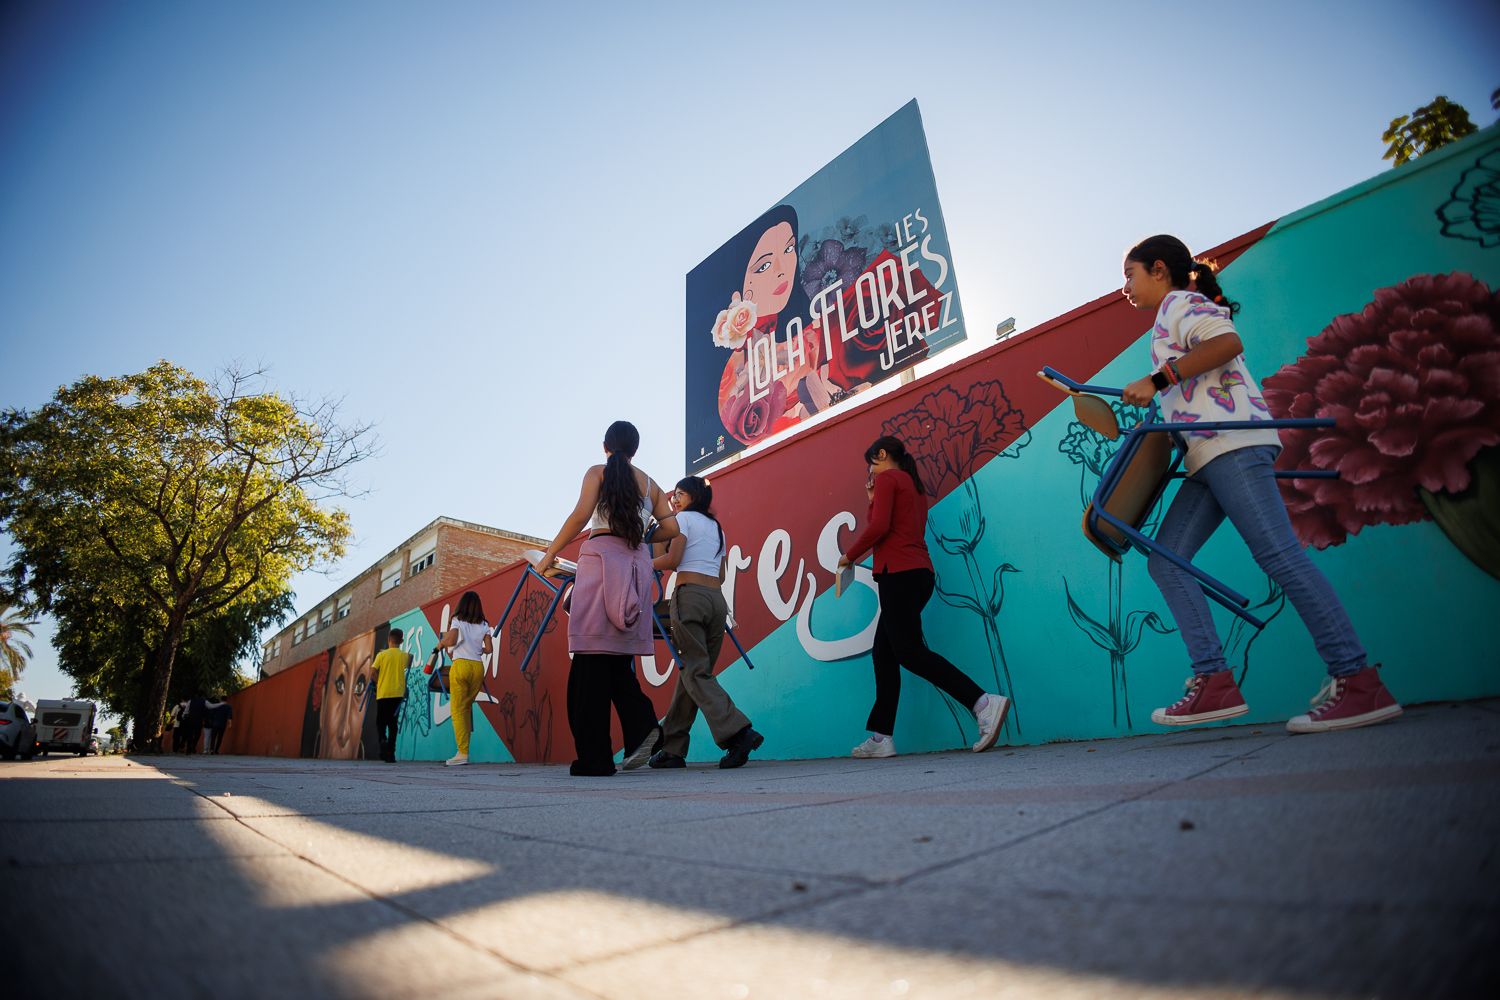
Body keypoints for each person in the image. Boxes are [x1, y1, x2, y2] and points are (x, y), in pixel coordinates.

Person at [1119, 234, 1402, 733]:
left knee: (1279, 555)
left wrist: (1158, 381)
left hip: (1233, 445)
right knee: (1165, 558)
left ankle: (1357, 680)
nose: (1125, 288)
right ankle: (1215, 681)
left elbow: (1228, 343)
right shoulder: (1173, 313)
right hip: (1207, 455)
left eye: (1130, 274)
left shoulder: (1180, 303)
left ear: (1158, 269)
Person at [837, 436, 1010, 758]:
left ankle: (982, 703)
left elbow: (878, 529)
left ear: (883, 454)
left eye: (871, 463)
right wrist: (873, 499)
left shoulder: (890, 478)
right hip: (918, 574)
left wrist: (849, 555)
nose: (871, 472)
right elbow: (890, 525)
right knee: (885, 654)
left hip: (899, 575)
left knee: (908, 651)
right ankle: (881, 737)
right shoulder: (912, 487)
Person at [534, 420, 680, 776]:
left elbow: (580, 516)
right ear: (635, 450)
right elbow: (673, 529)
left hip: (600, 563)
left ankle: (596, 759)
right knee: (614, 663)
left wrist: (549, 557)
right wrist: (641, 529)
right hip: (633, 566)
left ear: (605, 446)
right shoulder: (651, 485)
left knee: (587, 665)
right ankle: (645, 728)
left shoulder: (597, 472)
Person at [647, 476, 762, 770]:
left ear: (693, 497)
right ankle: (673, 748)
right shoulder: (716, 528)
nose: (675, 500)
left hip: (690, 598)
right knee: (695, 674)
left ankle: (739, 733)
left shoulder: (682, 520)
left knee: (694, 672)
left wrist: (644, 560)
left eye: (680, 494)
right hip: (715, 600)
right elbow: (721, 575)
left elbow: (673, 560)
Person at [433, 592, 491, 766]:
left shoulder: (457, 619)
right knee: (465, 708)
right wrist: (476, 647)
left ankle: (462, 753)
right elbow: (489, 649)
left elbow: (450, 640)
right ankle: (463, 750)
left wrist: (441, 644)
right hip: (477, 668)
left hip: (460, 667)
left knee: (458, 710)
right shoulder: (484, 624)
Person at [372, 627, 410, 763]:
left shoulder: (381, 655)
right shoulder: (405, 656)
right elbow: (408, 670)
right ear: (402, 641)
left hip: (383, 693)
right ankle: (391, 753)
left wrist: (378, 683)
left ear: (389, 639)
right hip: (397, 694)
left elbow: (372, 672)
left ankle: (382, 740)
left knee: (380, 721)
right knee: (393, 723)